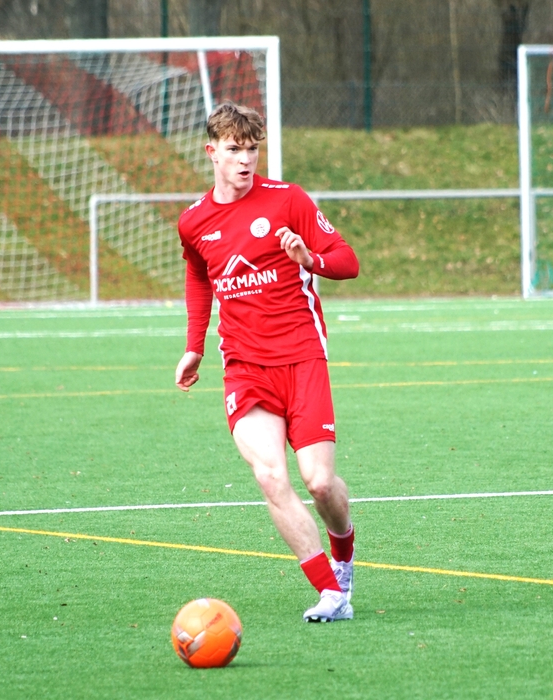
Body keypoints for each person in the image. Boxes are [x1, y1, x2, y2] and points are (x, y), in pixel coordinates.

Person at [174, 102, 360, 622]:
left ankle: (344, 554)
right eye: (234, 149)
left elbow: (348, 261)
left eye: (252, 149)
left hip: (302, 358)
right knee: (271, 475)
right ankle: (331, 593)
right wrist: (194, 345)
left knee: (319, 483)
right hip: (245, 368)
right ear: (212, 152)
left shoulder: (287, 200)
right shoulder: (193, 221)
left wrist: (309, 259)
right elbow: (198, 275)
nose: (245, 159)